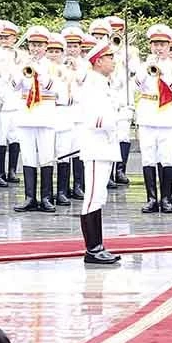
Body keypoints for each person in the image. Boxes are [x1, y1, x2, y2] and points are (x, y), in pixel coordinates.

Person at [74, 38, 122, 266]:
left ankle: (99, 246)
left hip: (105, 147)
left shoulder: (102, 83)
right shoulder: (92, 85)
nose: (113, 61)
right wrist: (118, 118)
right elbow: (94, 119)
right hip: (95, 146)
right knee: (92, 197)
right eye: (110, 57)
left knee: (99, 196)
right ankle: (92, 249)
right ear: (98, 60)